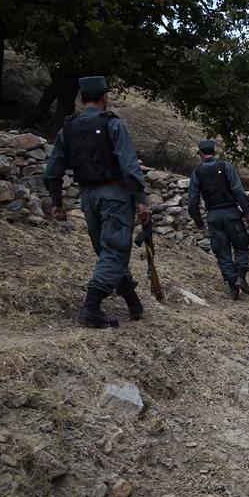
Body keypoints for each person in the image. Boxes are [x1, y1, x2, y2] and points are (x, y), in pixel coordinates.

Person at [44, 75, 149, 328]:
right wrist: (141, 199)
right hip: (115, 195)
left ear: (81, 99)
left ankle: (133, 302)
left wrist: (57, 202)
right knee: (114, 250)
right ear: (105, 97)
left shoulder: (67, 128)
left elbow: (52, 170)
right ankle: (91, 308)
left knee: (107, 251)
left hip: (88, 197)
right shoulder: (112, 124)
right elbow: (129, 166)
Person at [188, 139, 249, 301]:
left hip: (213, 217)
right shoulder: (226, 166)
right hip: (232, 213)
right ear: (215, 152)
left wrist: (198, 221)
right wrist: (247, 210)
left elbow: (193, 201)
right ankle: (241, 277)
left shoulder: (197, 172)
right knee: (241, 245)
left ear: (201, 154)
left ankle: (233, 286)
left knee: (222, 251)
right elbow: (238, 190)